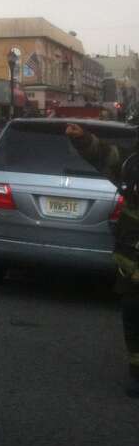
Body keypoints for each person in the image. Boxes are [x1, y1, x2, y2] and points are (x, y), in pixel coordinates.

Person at [66, 119, 139, 398]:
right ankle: (137, 373)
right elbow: (105, 156)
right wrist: (83, 139)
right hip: (132, 260)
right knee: (133, 313)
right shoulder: (132, 162)